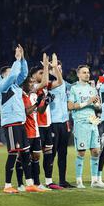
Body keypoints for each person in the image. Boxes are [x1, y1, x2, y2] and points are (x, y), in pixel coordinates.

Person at [0, 45, 41, 193]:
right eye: (10, 73)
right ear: (4, 75)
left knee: (26, 153)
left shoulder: (14, 86)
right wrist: (17, 60)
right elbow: (14, 75)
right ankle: (7, 185)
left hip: (20, 122)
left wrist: (23, 59)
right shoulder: (2, 86)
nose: (14, 74)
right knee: (13, 153)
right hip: (11, 123)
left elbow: (22, 74)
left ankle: (29, 184)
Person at [29, 53, 64, 189]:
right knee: (35, 156)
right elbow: (39, 109)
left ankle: (49, 181)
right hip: (36, 126)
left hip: (47, 124)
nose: (44, 74)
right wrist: (46, 64)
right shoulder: (32, 88)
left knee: (48, 154)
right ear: (33, 76)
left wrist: (55, 68)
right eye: (41, 72)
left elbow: (60, 82)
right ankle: (36, 182)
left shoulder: (45, 88)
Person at [67, 65, 102, 188]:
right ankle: (79, 181)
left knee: (96, 151)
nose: (87, 74)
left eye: (88, 72)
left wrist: (97, 105)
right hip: (80, 122)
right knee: (81, 152)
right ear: (78, 74)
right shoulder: (74, 89)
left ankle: (95, 181)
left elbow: (97, 106)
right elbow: (70, 106)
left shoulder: (92, 89)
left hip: (93, 122)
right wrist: (88, 102)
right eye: (84, 72)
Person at [20, 75, 49, 191]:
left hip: (36, 131)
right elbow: (26, 112)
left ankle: (37, 183)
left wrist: (46, 102)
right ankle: (21, 184)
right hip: (25, 132)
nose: (33, 84)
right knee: (22, 158)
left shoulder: (33, 95)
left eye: (33, 82)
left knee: (36, 157)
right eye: (30, 82)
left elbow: (40, 111)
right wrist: (37, 104)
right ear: (24, 84)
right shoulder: (21, 96)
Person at [49, 57, 74, 188]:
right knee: (51, 153)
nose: (59, 70)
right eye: (55, 68)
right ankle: (49, 180)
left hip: (64, 123)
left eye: (60, 68)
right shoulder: (48, 84)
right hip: (52, 122)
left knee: (63, 153)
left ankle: (62, 180)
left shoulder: (66, 84)